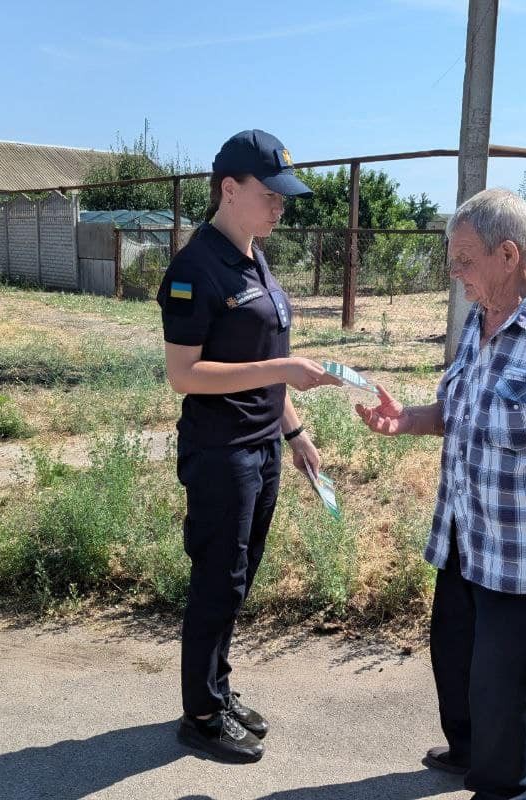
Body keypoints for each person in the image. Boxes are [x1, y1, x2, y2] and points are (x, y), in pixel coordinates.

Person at [355, 188, 526, 800]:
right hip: (461, 535)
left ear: (509, 254)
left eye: (464, 261)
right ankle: (469, 750)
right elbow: (458, 409)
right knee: (453, 660)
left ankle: (505, 789)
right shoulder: (481, 317)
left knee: (500, 683)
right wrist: (408, 420)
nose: (455, 275)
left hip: (519, 550)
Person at [157, 129, 342, 764]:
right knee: (217, 579)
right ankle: (199, 713)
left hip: (260, 447)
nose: (280, 207)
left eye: (284, 197)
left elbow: (263, 359)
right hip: (220, 452)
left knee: (237, 581)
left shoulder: (254, 257)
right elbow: (185, 375)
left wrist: (295, 433)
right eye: (271, 195)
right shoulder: (193, 268)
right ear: (229, 189)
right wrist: (283, 371)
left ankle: (218, 687)